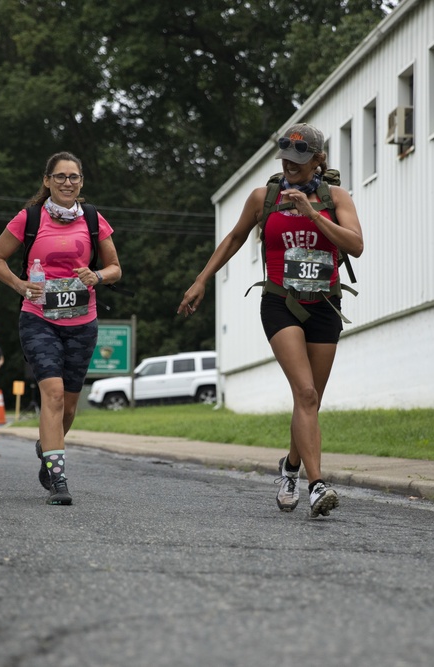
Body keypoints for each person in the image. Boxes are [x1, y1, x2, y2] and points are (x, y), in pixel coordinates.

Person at [177, 123, 364, 518]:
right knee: (306, 394)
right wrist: (200, 280)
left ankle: (290, 468)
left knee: (309, 400)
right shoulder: (265, 197)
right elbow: (233, 238)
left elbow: (356, 246)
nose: (291, 166)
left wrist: (313, 213)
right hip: (281, 302)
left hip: (325, 305)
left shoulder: (337, 198)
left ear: (318, 160)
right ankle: (317, 487)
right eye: (285, 158)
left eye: (300, 160)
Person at [0, 151, 122, 506]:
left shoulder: (93, 219)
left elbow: (115, 269)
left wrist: (97, 276)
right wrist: (19, 286)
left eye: (73, 177)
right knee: (54, 395)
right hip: (38, 318)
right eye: (60, 176)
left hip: (82, 321)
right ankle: (57, 476)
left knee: (71, 407)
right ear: (47, 181)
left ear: (81, 182)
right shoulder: (29, 218)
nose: (67, 183)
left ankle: (47, 446)